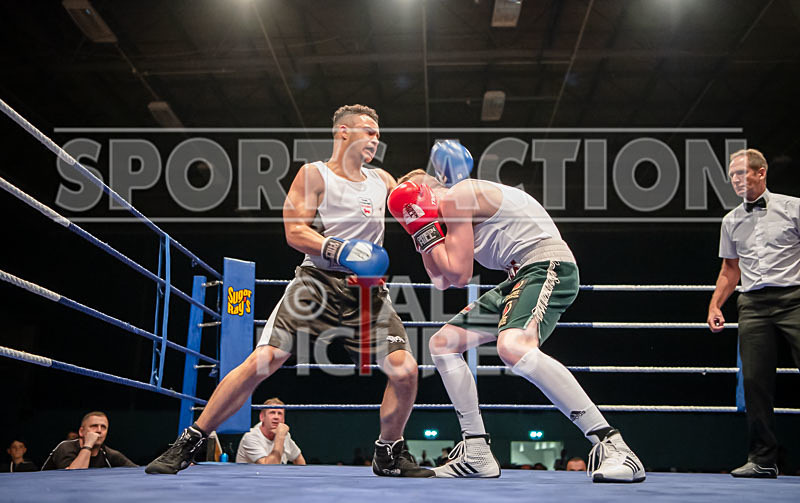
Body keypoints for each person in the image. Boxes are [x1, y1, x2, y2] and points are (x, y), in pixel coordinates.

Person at [146, 105, 431, 478]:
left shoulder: (381, 180)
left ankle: (389, 452)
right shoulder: (314, 174)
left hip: (368, 293)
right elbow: (294, 231)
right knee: (266, 359)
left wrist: (435, 179)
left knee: (406, 371)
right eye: (367, 131)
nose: (375, 139)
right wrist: (340, 248)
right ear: (342, 133)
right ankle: (192, 440)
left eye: (378, 133)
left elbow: (413, 192)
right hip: (317, 281)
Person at [387, 146, 645, 483]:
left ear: (430, 188)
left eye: (416, 205)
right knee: (443, 343)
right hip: (518, 278)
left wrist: (425, 225)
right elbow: (441, 281)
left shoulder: (458, 196)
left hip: (546, 265)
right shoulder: (446, 220)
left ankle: (613, 446)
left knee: (514, 347)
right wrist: (421, 230)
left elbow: (460, 276)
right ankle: (477, 451)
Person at [707, 148, 800, 479]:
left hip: (795, 298)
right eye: (731, 175)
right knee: (754, 382)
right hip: (753, 304)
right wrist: (715, 304)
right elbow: (730, 269)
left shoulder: (793, 208)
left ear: (761, 173)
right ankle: (763, 458)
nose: (735, 180)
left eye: (741, 173)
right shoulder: (731, 220)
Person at [41, 411, 136, 470]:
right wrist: (88, 444)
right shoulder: (65, 447)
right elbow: (73, 478)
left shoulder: (108, 453)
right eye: (94, 426)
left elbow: (136, 471)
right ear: (81, 431)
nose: (99, 430)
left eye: (103, 427)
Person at [235, 398, 306, 465]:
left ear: (283, 420)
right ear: (262, 417)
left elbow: (298, 458)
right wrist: (280, 436)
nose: (276, 417)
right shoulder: (250, 437)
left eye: (280, 413)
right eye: (272, 412)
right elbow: (270, 469)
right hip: (252, 477)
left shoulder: (284, 434)